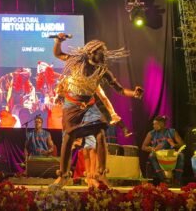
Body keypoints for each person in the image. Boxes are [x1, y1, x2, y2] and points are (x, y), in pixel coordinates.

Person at [53, 33, 143, 186]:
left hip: (89, 106)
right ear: (90, 53)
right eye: (99, 53)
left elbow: (119, 90)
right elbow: (58, 53)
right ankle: (63, 175)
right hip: (72, 104)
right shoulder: (76, 62)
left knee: (100, 133)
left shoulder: (102, 70)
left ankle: (101, 173)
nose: (102, 56)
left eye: (103, 53)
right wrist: (58, 41)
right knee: (68, 137)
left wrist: (133, 93)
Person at [141, 115, 185, 185]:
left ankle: (177, 180)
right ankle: (163, 179)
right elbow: (143, 147)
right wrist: (153, 149)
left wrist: (174, 144)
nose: (153, 126)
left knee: (181, 155)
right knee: (152, 155)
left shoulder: (172, 131)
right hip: (157, 154)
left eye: (155, 124)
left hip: (169, 154)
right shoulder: (151, 133)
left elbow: (182, 144)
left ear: (162, 124)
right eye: (153, 124)